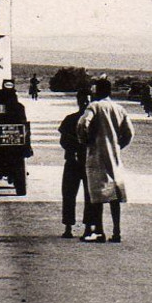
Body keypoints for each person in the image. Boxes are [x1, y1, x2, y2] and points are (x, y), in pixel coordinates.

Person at [79, 78, 134, 242]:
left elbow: (83, 124)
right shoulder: (119, 109)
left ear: (97, 91)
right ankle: (116, 232)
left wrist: (86, 140)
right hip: (114, 156)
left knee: (97, 194)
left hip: (97, 155)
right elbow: (130, 132)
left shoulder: (93, 107)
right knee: (114, 193)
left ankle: (100, 231)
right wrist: (118, 146)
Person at [57, 89, 91, 238]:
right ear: (77, 101)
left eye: (87, 101)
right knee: (69, 194)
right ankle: (68, 227)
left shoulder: (94, 121)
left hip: (89, 162)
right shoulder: (70, 119)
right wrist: (73, 149)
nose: (84, 103)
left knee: (89, 196)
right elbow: (63, 140)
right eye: (82, 100)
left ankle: (88, 227)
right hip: (72, 161)